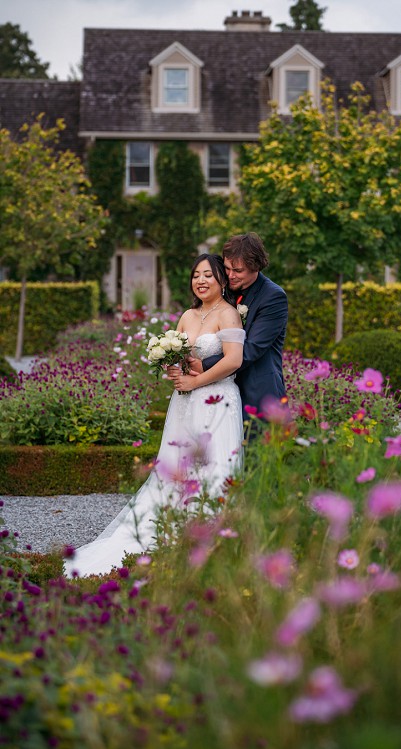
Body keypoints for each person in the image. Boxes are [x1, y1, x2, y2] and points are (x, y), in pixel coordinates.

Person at [65, 254, 245, 577]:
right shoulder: (188, 315)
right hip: (184, 403)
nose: (201, 281)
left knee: (213, 468)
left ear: (221, 280)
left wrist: (194, 381)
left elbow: (233, 361)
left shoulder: (229, 314)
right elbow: (175, 354)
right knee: (175, 469)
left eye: (208, 275)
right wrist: (173, 371)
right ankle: (169, 530)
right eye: (196, 275)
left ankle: (210, 539)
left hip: (218, 401)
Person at [192, 232, 288, 421]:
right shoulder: (224, 290)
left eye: (238, 270)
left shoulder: (273, 297)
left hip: (258, 395)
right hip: (218, 392)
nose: (230, 275)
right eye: (227, 268)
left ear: (256, 267)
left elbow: (251, 349)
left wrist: (204, 365)